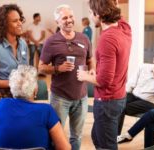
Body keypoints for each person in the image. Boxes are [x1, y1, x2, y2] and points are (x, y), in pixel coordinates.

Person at [38, 4, 94, 150]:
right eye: (64, 18)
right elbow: (41, 67)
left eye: (71, 16)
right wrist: (58, 68)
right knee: (55, 136)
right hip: (60, 98)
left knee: (77, 136)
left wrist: (92, 70)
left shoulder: (84, 38)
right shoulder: (51, 42)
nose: (69, 20)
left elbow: (90, 59)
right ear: (58, 22)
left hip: (81, 97)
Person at [77, 0, 132, 149]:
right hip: (119, 97)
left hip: (107, 101)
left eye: (90, 12)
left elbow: (104, 80)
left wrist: (84, 76)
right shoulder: (125, 29)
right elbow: (119, 15)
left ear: (99, 15)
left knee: (107, 146)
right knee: (97, 136)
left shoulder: (106, 38)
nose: (90, 16)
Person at [0, 65, 71, 150]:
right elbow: (65, 148)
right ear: (35, 90)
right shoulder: (46, 111)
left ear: (12, 88)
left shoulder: (1, 105)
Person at [117, 52, 154, 139]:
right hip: (134, 95)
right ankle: (112, 134)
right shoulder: (143, 67)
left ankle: (115, 136)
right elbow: (131, 83)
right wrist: (124, 96)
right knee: (118, 104)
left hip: (148, 102)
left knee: (122, 108)